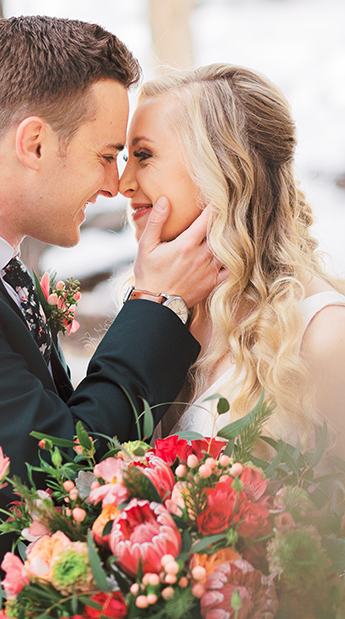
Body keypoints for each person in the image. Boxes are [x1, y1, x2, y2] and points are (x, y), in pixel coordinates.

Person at [0, 17, 225, 619]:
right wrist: (155, 305)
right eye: (107, 155)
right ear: (33, 143)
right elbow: (65, 466)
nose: (116, 184)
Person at [119, 62, 345, 456]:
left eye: (144, 155)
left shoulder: (324, 336)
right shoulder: (163, 308)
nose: (123, 184)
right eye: (126, 158)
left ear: (224, 168)